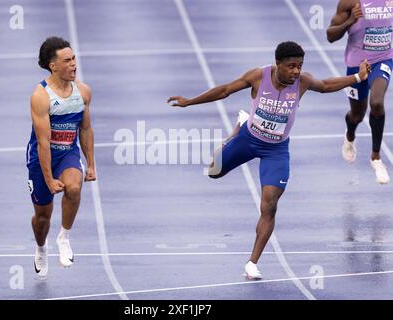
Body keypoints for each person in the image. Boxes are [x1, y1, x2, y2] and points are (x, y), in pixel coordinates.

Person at [167, 41, 370, 279]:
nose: (296, 71)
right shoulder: (258, 76)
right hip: (248, 138)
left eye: (300, 66)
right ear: (278, 64)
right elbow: (224, 91)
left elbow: (325, 85)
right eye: (291, 66)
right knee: (213, 172)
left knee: (270, 204)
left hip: (276, 150)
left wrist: (358, 77)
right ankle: (238, 127)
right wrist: (190, 101)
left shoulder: (302, 82)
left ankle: (252, 262)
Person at [26, 36, 96, 277]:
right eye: (67, 60)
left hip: (68, 153)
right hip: (41, 158)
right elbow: (43, 143)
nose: (74, 64)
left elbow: (85, 129)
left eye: (74, 58)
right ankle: (41, 247)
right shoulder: (41, 96)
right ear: (53, 66)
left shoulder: (83, 92)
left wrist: (91, 164)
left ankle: (64, 237)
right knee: (42, 218)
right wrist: (47, 178)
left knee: (74, 189)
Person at [327, 0, 393, 184]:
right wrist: (350, 21)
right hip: (357, 64)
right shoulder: (350, 2)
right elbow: (330, 35)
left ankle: (376, 157)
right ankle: (350, 136)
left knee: (377, 104)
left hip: (383, 60)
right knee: (357, 115)